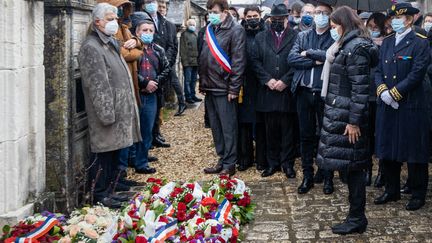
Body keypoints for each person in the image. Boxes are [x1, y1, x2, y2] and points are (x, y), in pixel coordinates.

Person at [317, 6, 378, 235]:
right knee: (349, 168)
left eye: (334, 26)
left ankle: (357, 218)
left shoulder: (356, 49)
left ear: (344, 24)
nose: (332, 30)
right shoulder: (348, 45)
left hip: (349, 119)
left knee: (354, 170)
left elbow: (359, 90)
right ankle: (355, 216)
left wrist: (353, 122)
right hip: (341, 114)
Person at [78, 3, 142, 208]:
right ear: (97, 22)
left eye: (115, 18)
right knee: (103, 156)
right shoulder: (91, 46)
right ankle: (99, 194)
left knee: (115, 154)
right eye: (109, 18)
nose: (114, 22)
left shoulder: (109, 43)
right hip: (108, 113)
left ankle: (111, 189)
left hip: (120, 110)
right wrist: (107, 115)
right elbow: (97, 85)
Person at [374, 2, 430, 211]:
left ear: (409, 20)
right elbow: (378, 69)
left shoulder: (420, 42)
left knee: (414, 150)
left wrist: (396, 93)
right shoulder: (387, 42)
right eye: (393, 18)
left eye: (399, 18)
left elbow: (417, 72)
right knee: (388, 147)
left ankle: (417, 193)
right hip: (388, 104)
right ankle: (391, 189)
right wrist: (383, 92)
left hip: (411, 104)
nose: (395, 21)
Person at [287, 2, 334, 195]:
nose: (319, 16)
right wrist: (316, 60)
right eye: (317, 13)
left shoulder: (334, 36)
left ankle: (327, 175)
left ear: (330, 16)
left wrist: (310, 54)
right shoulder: (303, 35)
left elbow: (333, 56)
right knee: (306, 135)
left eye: (324, 13)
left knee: (326, 135)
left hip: (325, 94)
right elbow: (292, 59)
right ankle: (307, 174)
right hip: (304, 92)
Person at [200, 0, 246, 176]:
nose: (211, 14)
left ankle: (230, 162)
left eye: (214, 11)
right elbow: (204, 57)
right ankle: (222, 158)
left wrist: (234, 88)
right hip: (210, 86)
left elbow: (239, 61)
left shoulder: (236, 30)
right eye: (209, 11)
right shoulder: (210, 29)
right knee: (216, 127)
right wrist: (203, 82)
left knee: (228, 127)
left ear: (225, 11)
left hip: (224, 87)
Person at [251, 3, 298, 179]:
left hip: (287, 92)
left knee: (288, 130)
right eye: (274, 19)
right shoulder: (261, 37)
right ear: (270, 20)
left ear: (287, 19)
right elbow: (254, 61)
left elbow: (298, 61)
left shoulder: (296, 36)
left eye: (281, 19)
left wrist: (285, 80)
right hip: (268, 91)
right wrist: (267, 80)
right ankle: (273, 164)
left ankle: (287, 164)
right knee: (270, 131)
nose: (277, 22)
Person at [134, 19, 171, 175]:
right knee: (135, 129)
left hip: (153, 94)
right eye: (144, 30)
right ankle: (133, 158)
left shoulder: (158, 49)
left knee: (148, 128)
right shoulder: (133, 49)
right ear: (137, 32)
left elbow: (167, 68)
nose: (148, 33)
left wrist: (155, 82)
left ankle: (142, 161)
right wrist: (144, 83)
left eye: (150, 30)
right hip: (137, 93)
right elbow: (131, 71)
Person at [238, 6, 266, 171]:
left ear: (260, 16)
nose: (252, 18)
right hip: (244, 83)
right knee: (244, 124)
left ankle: (262, 159)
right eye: (249, 16)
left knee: (261, 123)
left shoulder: (266, 33)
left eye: (255, 15)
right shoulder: (239, 33)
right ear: (245, 17)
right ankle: (245, 157)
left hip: (261, 83)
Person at [364, 12, 386, 188]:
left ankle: (382, 171)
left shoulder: (389, 42)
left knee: (382, 135)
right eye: (370, 27)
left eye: (375, 27)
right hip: (365, 93)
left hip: (382, 94)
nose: (372, 30)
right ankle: (367, 169)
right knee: (366, 135)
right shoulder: (363, 42)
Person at [180, 19, 202, 104]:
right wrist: (185, 62)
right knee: (187, 80)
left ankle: (193, 95)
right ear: (187, 25)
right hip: (188, 62)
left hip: (195, 61)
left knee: (193, 80)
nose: (192, 26)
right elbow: (183, 50)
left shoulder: (195, 34)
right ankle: (188, 97)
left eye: (193, 24)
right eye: (191, 24)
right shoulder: (184, 35)